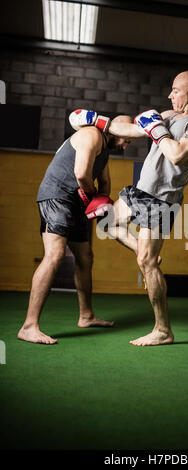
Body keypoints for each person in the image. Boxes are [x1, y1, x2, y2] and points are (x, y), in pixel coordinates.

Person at [69, 70, 188, 347]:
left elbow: (177, 155)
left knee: (147, 263)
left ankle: (163, 330)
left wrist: (157, 130)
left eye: (175, 90)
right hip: (139, 190)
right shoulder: (169, 115)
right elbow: (132, 129)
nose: (170, 95)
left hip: (162, 199)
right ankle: (143, 251)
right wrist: (97, 121)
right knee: (106, 221)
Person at [18, 115, 133, 345]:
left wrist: (103, 201)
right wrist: (92, 195)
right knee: (55, 255)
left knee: (85, 256)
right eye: (126, 139)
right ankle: (29, 326)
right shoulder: (91, 134)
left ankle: (86, 315)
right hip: (58, 196)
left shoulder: (105, 150)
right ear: (116, 130)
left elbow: (105, 182)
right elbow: (81, 174)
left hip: (78, 202)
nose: (125, 145)